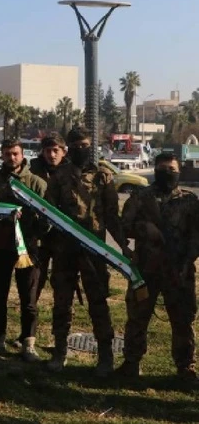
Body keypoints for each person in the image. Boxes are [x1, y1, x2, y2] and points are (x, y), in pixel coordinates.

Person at [44, 128, 131, 376]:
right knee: (62, 302)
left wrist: (124, 246)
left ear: (91, 146)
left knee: (98, 304)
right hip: (64, 251)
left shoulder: (103, 176)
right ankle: (60, 352)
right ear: (68, 147)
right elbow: (48, 211)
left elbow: (112, 217)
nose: (80, 149)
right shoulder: (59, 175)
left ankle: (105, 357)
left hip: (94, 251)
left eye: (84, 145)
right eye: (75, 145)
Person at [117, 152, 198, 382]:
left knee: (183, 320)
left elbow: (196, 235)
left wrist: (187, 260)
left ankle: (185, 368)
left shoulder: (189, 201)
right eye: (163, 170)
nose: (168, 174)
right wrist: (143, 230)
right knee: (137, 317)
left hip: (179, 271)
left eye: (172, 170)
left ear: (179, 171)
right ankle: (131, 363)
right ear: (155, 170)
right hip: (146, 270)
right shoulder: (141, 197)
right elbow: (125, 227)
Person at [0, 139, 46, 362]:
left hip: (28, 251)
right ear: (1, 154)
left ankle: (28, 343)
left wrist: (33, 227)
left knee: (28, 300)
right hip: (0, 247)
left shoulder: (36, 183)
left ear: (22, 154)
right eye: (8, 153)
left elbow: (46, 218)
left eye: (16, 153)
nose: (12, 158)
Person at [29, 134, 70, 299]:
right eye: (48, 151)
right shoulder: (32, 172)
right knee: (34, 285)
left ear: (64, 152)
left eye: (55, 150)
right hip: (39, 238)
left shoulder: (72, 173)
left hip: (64, 237)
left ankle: (61, 324)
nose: (51, 155)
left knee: (63, 287)